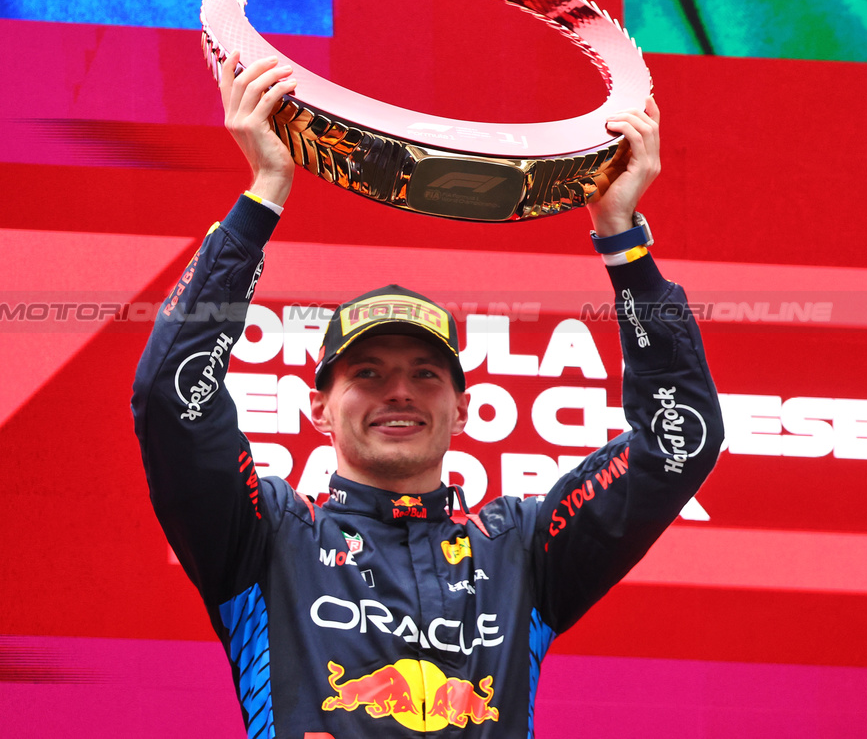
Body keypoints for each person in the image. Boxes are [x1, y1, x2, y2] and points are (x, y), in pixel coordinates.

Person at [131, 52, 723, 737]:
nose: (399, 393)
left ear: (463, 408)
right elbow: (171, 400)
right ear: (318, 408)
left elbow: (679, 442)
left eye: (425, 374)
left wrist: (624, 242)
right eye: (368, 374)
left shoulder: (519, 550)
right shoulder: (264, 535)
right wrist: (262, 194)